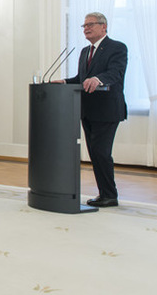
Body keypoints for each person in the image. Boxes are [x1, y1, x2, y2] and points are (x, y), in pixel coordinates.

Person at [54, 12, 128, 207]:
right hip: (87, 110)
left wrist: (98, 79)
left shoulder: (117, 47)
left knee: (102, 153)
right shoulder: (85, 52)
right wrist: (63, 81)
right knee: (95, 154)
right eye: (84, 25)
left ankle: (110, 195)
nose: (86, 28)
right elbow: (81, 78)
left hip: (107, 110)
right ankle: (105, 194)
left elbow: (115, 72)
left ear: (104, 27)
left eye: (91, 24)